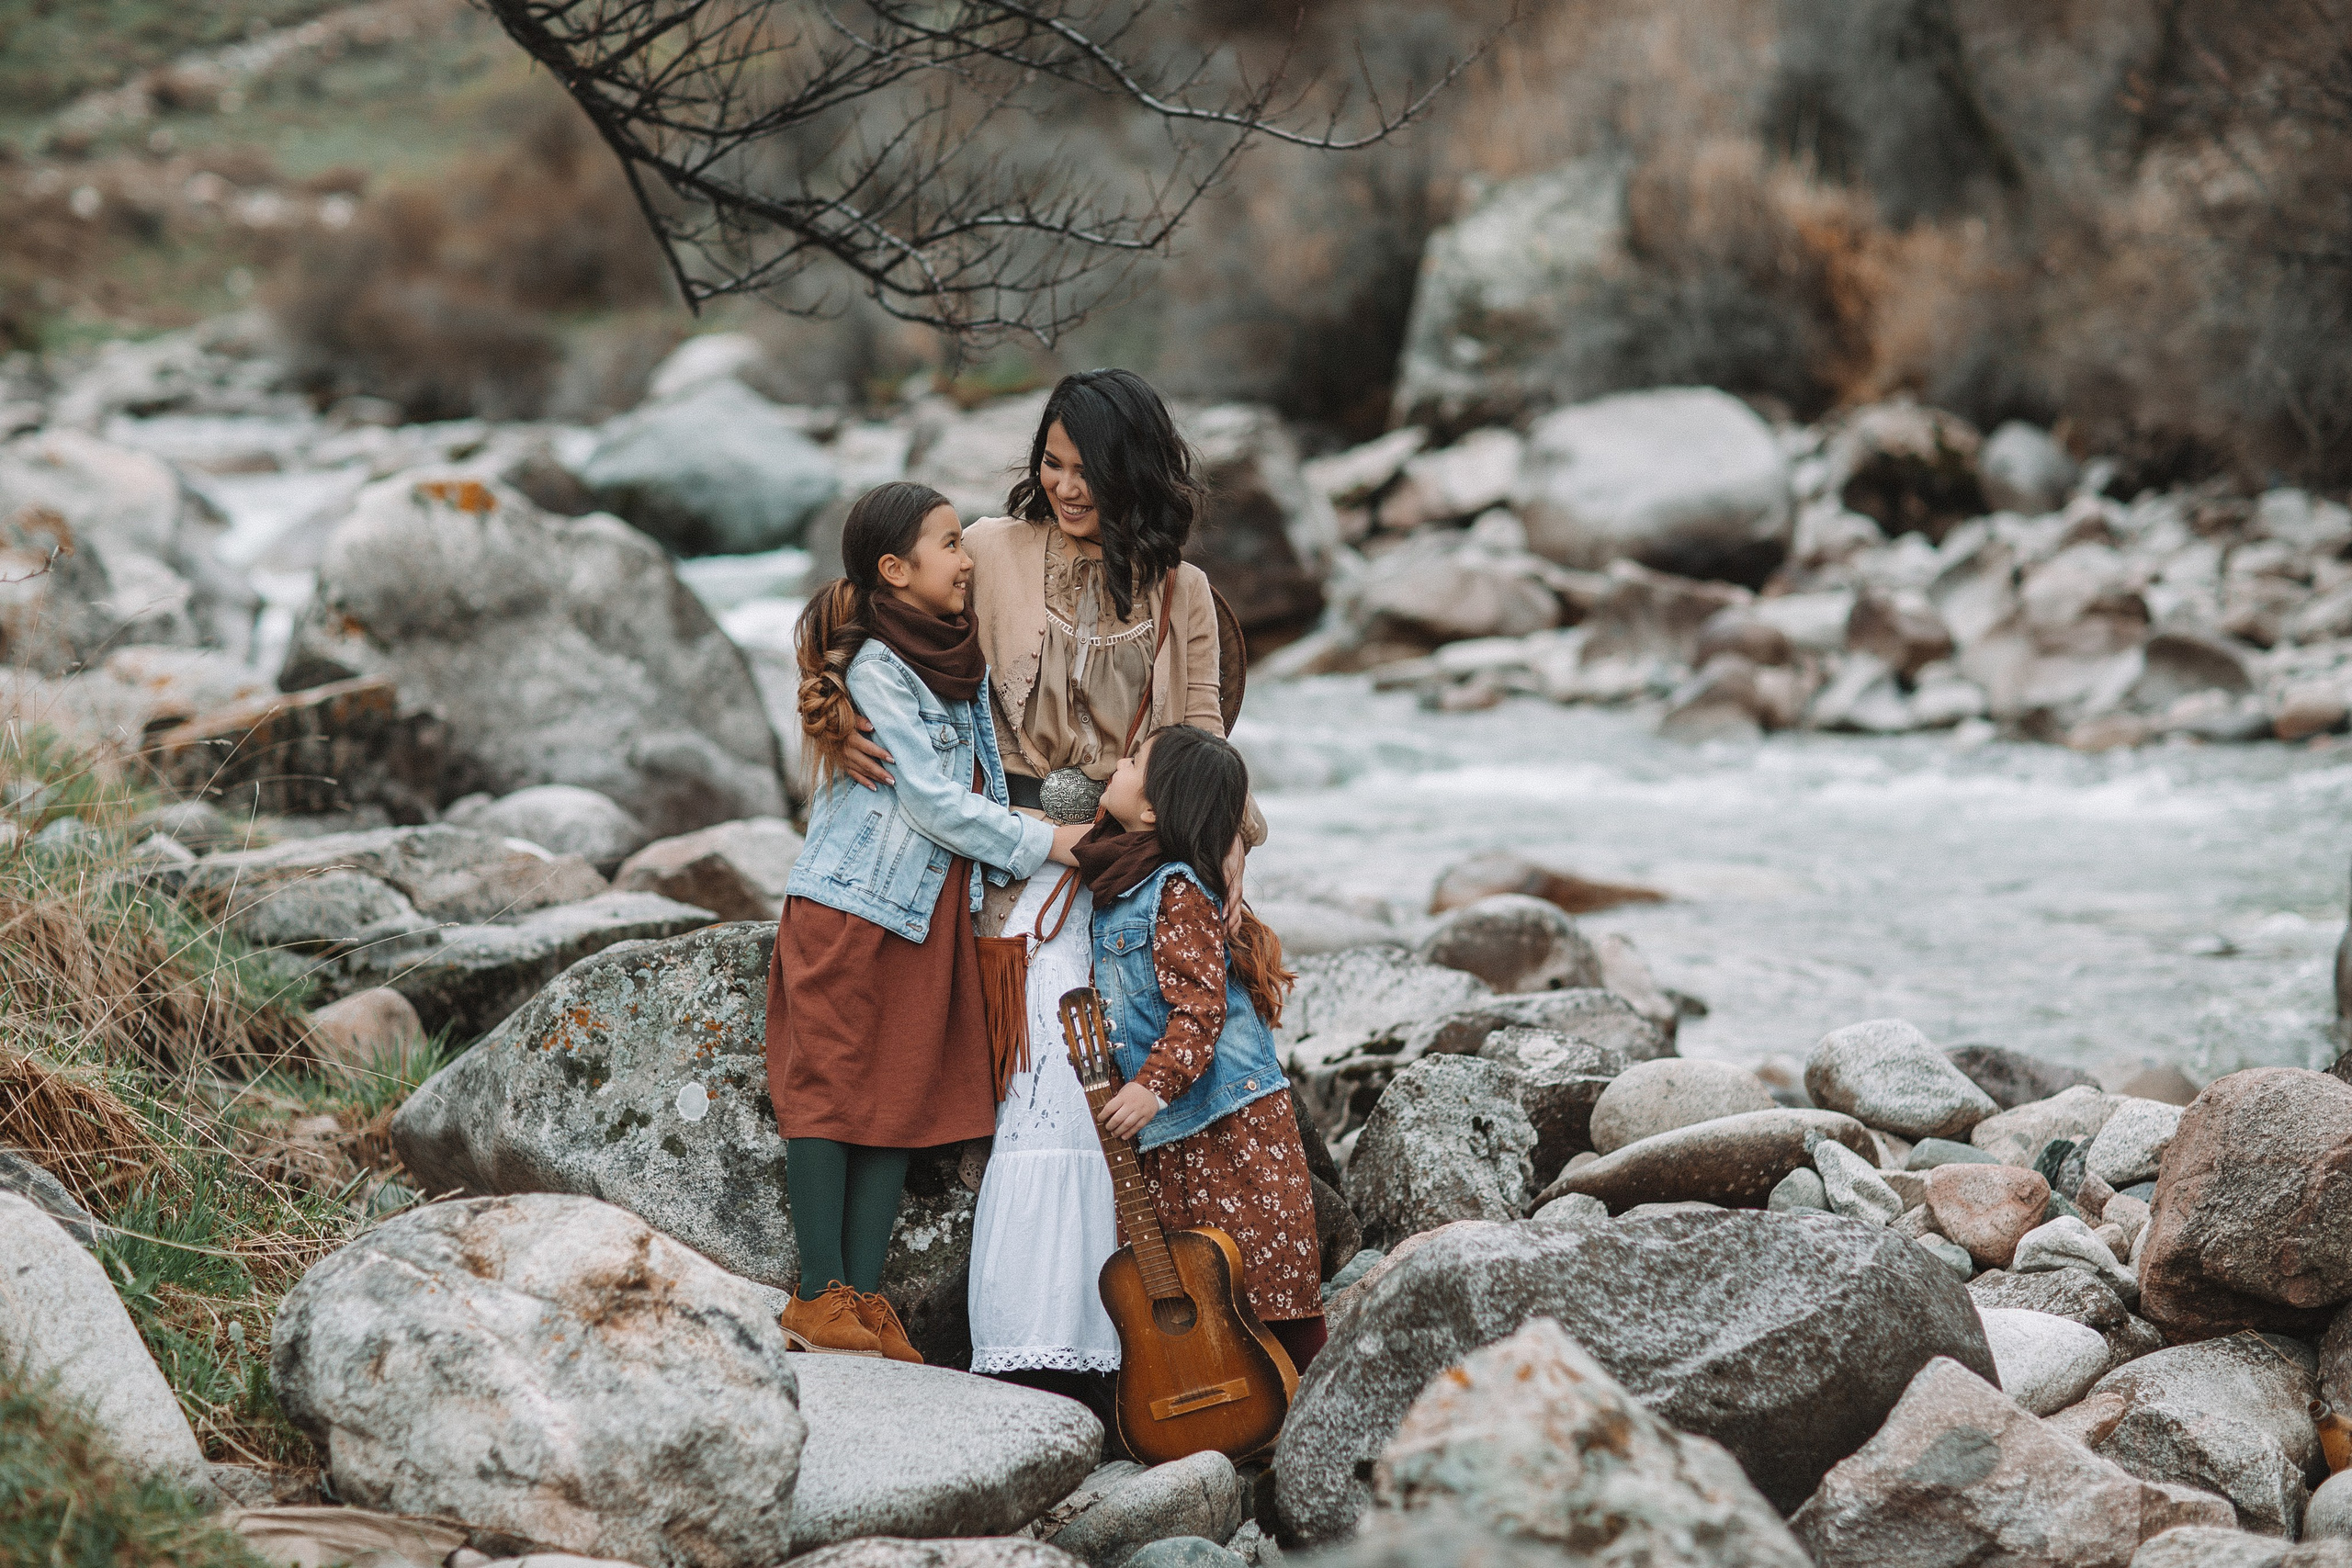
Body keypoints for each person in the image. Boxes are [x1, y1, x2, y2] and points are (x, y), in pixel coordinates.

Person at [838, 369, 1248, 1388]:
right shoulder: (986, 548)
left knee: (1204, 1046)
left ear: (1135, 472)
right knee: (1060, 1086)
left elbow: (1198, 738)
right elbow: (849, 615)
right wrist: (831, 712)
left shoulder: (1182, 590)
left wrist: (1226, 853)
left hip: (1139, 858)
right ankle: (1040, 1351)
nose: (1065, 488)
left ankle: (1189, 1334)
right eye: (1051, 464)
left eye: (1087, 470)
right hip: (1015, 855)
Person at [771, 479, 1090, 1360]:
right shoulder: (874, 665)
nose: (965, 560)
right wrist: (1047, 840)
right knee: (831, 1090)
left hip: (925, 916)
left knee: (900, 1099)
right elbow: (933, 802)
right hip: (853, 907)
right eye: (949, 545)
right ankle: (815, 1294)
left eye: (962, 542)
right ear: (894, 568)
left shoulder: (956, 652)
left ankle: (866, 1300)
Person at [1082, 725, 1326, 1371]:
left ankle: (1310, 1401)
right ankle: (1228, 1400)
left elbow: (1202, 1007)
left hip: (1229, 1113)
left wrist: (1149, 1084)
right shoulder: (1123, 876)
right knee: (1193, 1272)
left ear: (1156, 807)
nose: (1117, 761)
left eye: (1133, 759)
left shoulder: (1176, 889)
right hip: (1175, 1126)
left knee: (1264, 1269)